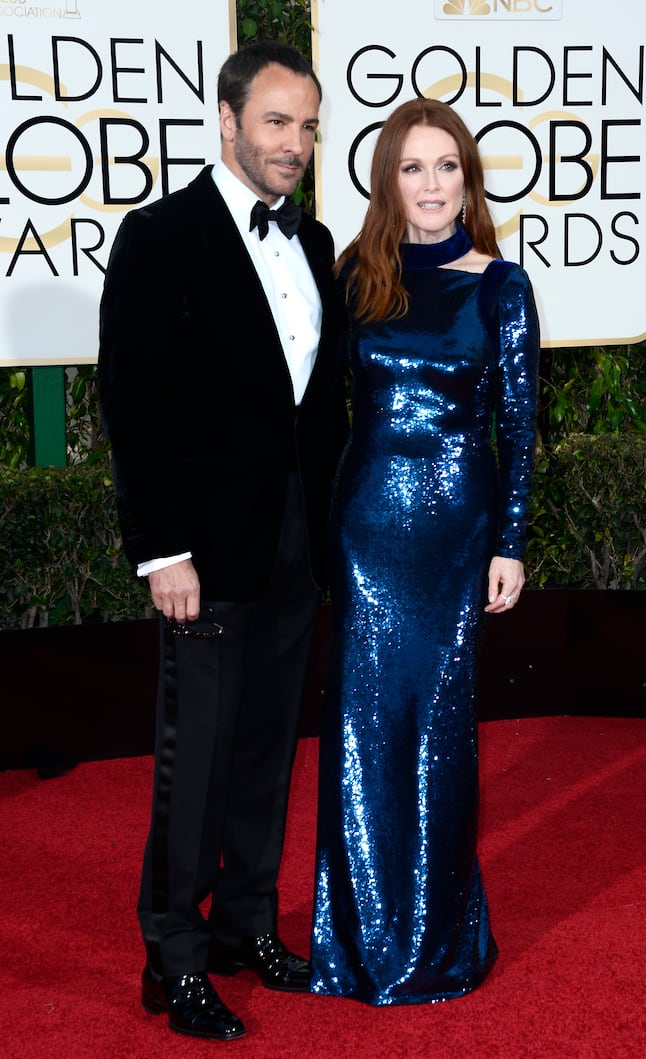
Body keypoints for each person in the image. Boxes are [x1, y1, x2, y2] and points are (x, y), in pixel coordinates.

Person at [98, 41, 348, 1041]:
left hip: (295, 540)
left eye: (306, 124)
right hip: (201, 550)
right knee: (192, 756)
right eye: (276, 121)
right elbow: (132, 403)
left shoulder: (316, 238)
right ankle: (175, 955)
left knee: (264, 746)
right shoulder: (159, 236)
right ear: (228, 119)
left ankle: (246, 927)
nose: (293, 143)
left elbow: (316, 404)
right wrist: (161, 551)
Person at [310, 97, 540, 1004]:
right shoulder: (353, 277)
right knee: (364, 727)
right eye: (414, 167)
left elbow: (520, 428)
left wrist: (511, 541)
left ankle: (435, 940)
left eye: (447, 166)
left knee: (440, 729)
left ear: (469, 180)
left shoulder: (502, 285)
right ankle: (361, 936)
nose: (432, 184)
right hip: (366, 525)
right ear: (389, 181)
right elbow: (313, 407)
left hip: (458, 532)